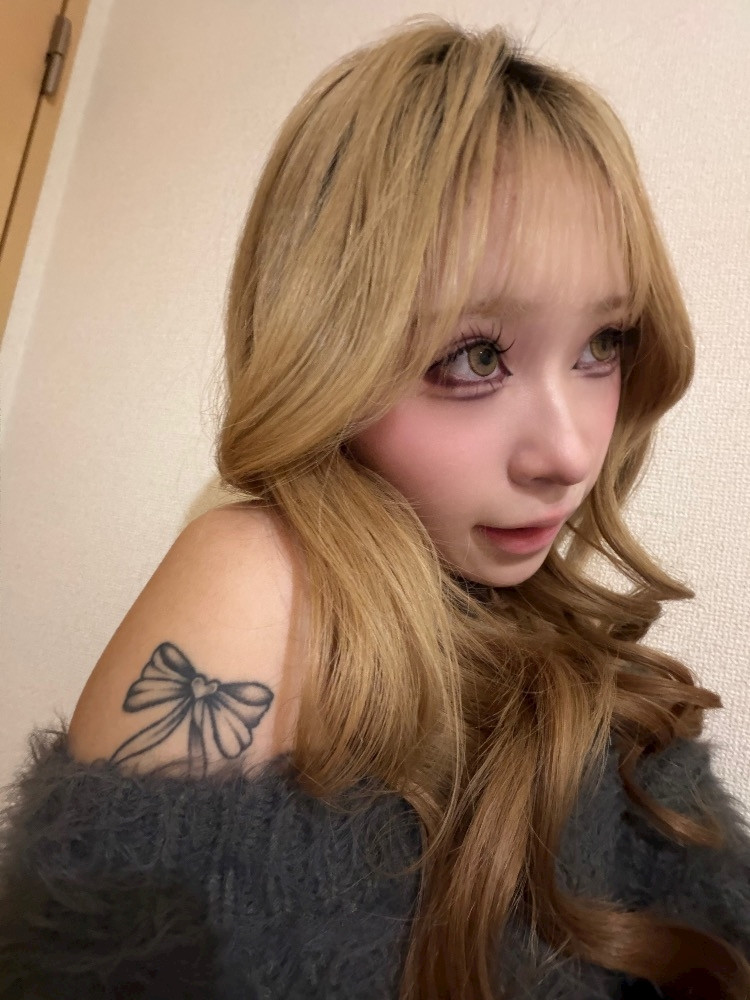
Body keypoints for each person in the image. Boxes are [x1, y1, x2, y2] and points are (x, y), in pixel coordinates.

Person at [0, 16, 748, 1000]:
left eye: (603, 344)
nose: (570, 455)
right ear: (323, 351)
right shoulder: (255, 577)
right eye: (475, 356)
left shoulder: (602, 687)